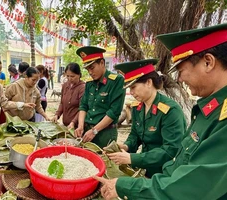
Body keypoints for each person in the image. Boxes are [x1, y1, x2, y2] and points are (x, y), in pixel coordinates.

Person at [94, 23, 227, 200]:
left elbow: (187, 180)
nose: (179, 79)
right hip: (158, 182)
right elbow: (137, 138)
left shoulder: (173, 110)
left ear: (208, 62)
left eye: (181, 71)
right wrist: (124, 148)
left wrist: (130, 168)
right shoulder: (205, 109)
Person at [106, 59, 186, 178]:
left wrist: (132, 158)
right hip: (145, 169)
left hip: (165, 173)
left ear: (149, 82)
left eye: (133, 87)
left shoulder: (170, 111)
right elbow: (135, 135)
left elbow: (170, 151)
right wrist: (126, 146)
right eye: (129, 88)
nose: (131, 92)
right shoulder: (138, 108)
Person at [74, 46, 125, 148]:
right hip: (87, 131)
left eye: (92, 67)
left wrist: (94, 130)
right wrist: (80, 126)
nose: (90, 72)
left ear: (102, 63)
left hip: (105, 134)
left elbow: (114, 112)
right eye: (87, 69)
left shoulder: (116, 81)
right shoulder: (89, 83)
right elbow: (83, 106)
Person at [52, 63, 85, 129]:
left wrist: (73, 122)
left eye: (72, 76)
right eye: (67, 76)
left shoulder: (82, 88)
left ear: (79, 75)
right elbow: (62, 103)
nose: (69, 79)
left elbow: (83, 108)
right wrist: (57, 115)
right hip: (66, 125)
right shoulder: (65, 85)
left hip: (76, 126)